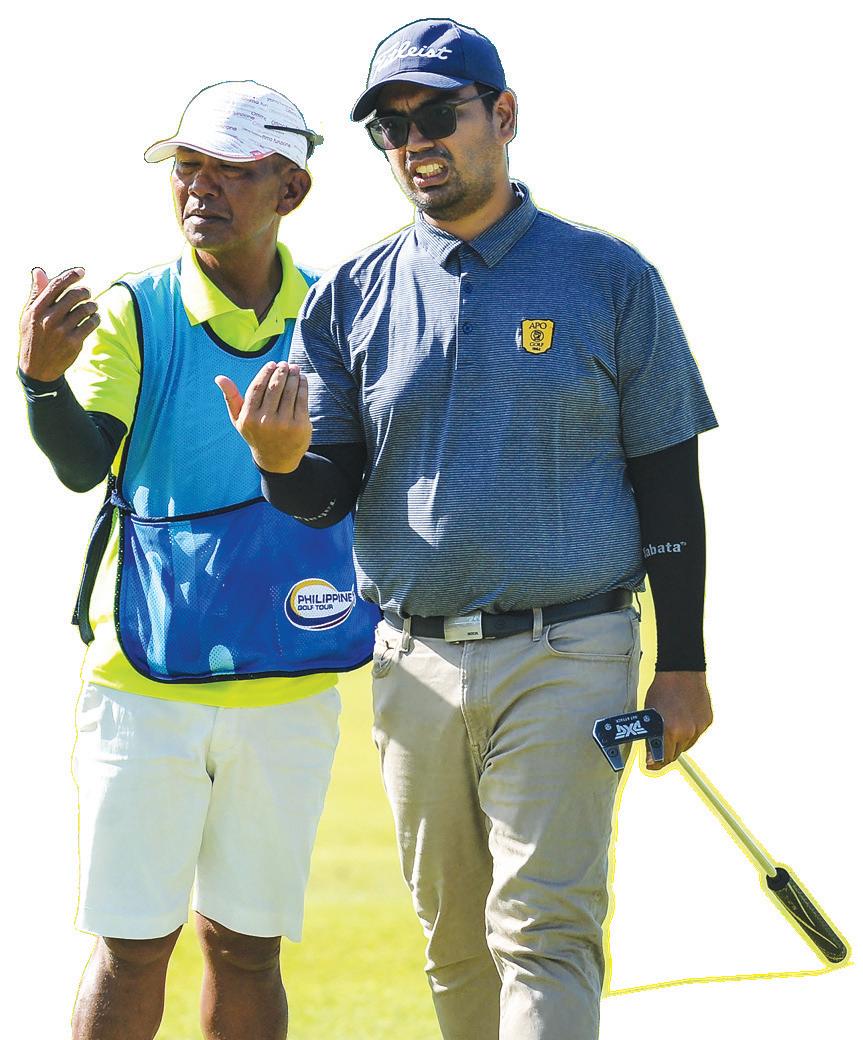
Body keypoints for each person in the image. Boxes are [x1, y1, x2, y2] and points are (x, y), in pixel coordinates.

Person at [219, 19, 717, 1040]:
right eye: (391, 127)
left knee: (542, 931)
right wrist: (278, 465)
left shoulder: (608, 277)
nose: (415, 142)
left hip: (568, 648)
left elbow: (667, 482)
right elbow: (326, 494)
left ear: (503, 114)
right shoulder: (349, 295)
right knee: (453, 945)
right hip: (410, 661)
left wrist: (683, 663)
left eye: (437, 114)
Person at [18, 80, 376, 1040]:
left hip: (288, 680)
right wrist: (42, 385)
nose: (199, 187)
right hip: (144, 682)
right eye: (186, 167)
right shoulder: (135, 309)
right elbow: (85, 463)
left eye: (229, 169)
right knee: (132, 946)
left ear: (291, 189)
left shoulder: (338, 315)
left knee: (248, 949)